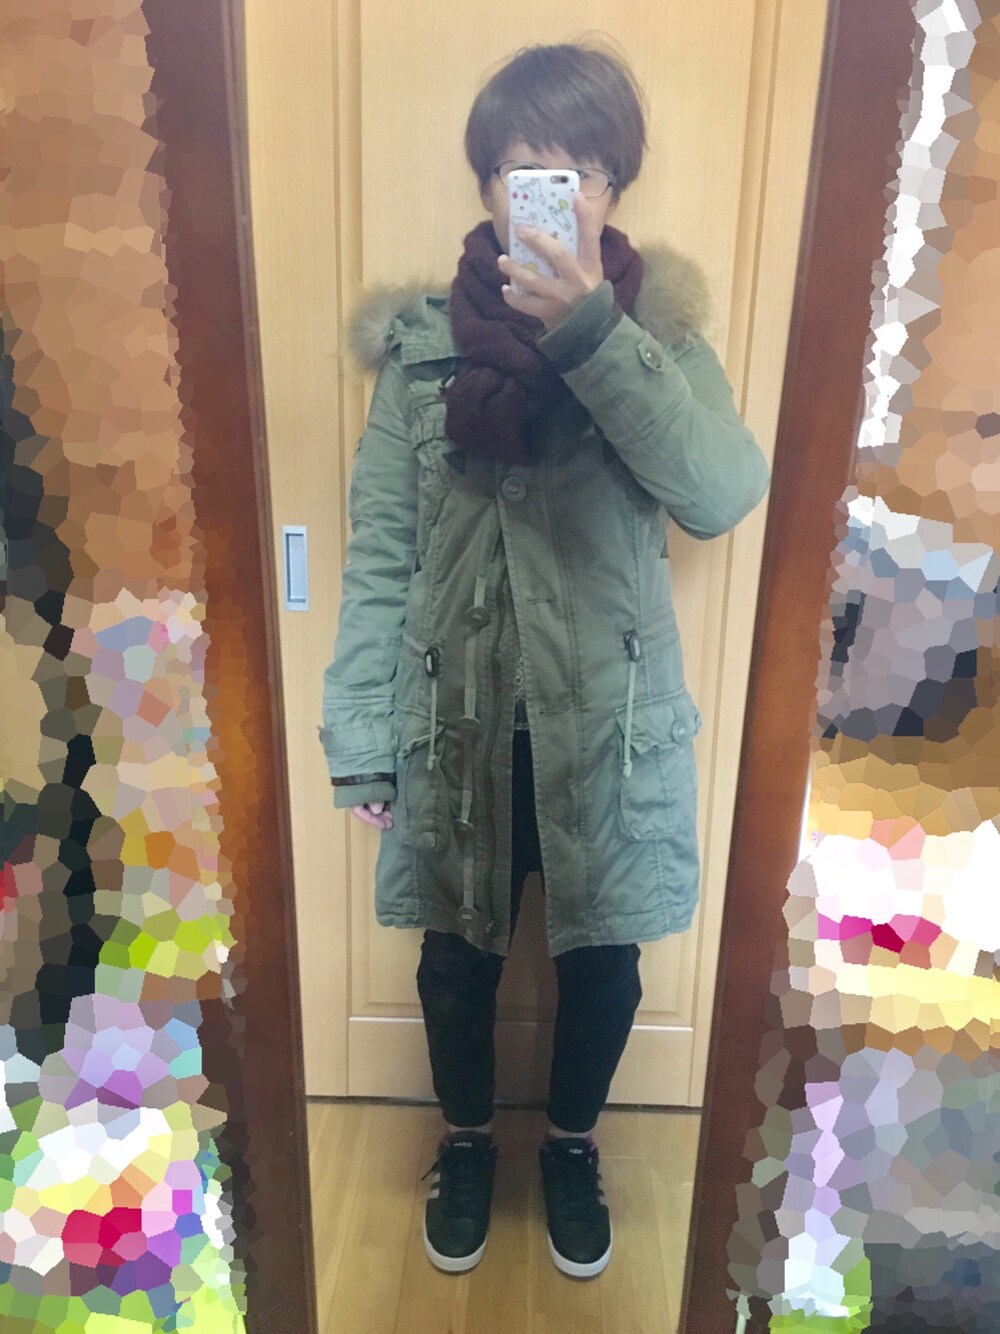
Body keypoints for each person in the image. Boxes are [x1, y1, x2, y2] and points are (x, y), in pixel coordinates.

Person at [319, 41, 770, 1279]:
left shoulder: (657, 339)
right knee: (454, 960)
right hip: (456, 718)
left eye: (581, 173)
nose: (557, 197)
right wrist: (363, 736)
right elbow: (381, 555)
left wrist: (589, 334)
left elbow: (719, 492)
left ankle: (571, 1144)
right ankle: (466, 1141)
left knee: (604, 960)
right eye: (529, 173)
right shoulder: (421, 352)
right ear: (488, 187)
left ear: (613, 188)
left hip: (606, 728)